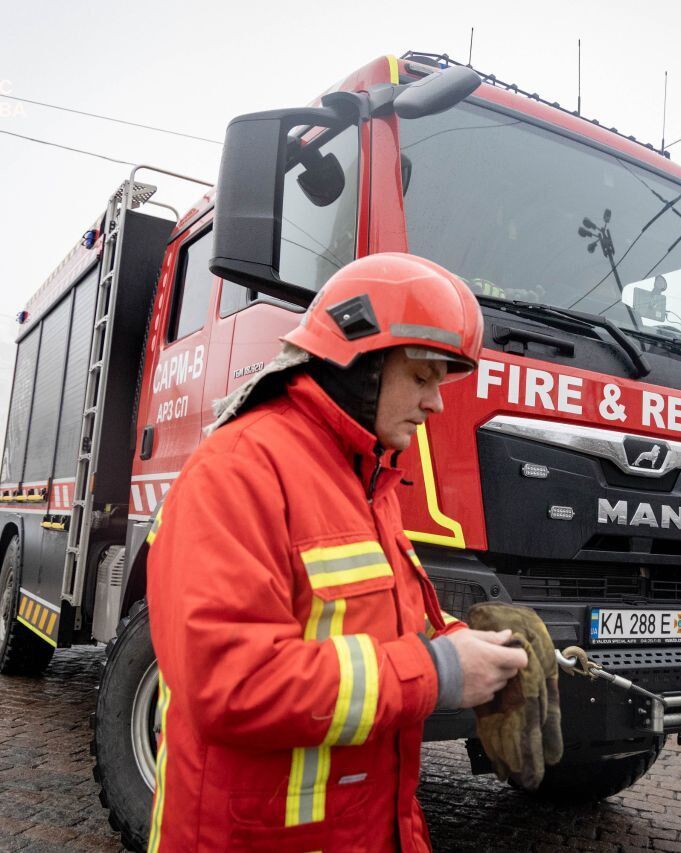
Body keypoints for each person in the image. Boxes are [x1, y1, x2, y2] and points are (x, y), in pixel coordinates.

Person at [145, 252, 529, 852]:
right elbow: (232, 683)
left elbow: (387, 625)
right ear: (360, 361)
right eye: (422, 376)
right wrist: (441, 671)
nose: (438, 404)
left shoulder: (366, 480)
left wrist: (488, 647)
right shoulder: (238, 470)